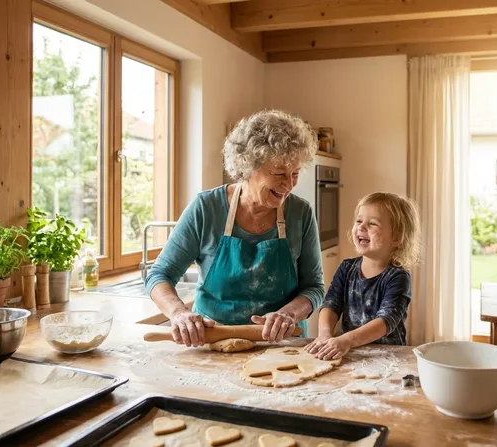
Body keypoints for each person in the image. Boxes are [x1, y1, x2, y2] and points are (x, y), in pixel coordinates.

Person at [146, 110, 325, 347]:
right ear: (248, 167)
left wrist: (290, 314)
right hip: (211, 342)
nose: (289, 184)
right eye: (280, 173)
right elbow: (160, 275)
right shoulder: (206, 209)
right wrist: (179, 313)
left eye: (295, 173)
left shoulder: (300, 213)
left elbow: (314, 287)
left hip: (281, 345)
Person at [305, 192, 421, 360]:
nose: (361, 227)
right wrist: (324, 334)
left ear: (397, 238)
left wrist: (346, 340)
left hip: (387, 358)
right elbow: (330, 305)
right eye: (359, 221)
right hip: (350, 353)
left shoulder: (398, 277)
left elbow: (386, 321)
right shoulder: (346, 268)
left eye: (372, 223)